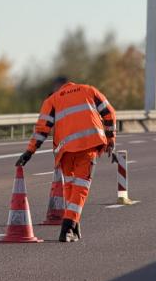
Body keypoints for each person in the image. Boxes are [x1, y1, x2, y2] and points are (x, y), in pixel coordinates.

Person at [16, 76, 116, 242]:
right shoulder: (88, 90)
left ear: (57, 88)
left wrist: (29, 152)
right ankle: (68, 227)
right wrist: (111, 138)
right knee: (80, 188)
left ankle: (74, 225)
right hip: (88, 146)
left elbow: (42, 130)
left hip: (65, 151)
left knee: (70, 187)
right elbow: (109, 113)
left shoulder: (52, 100)